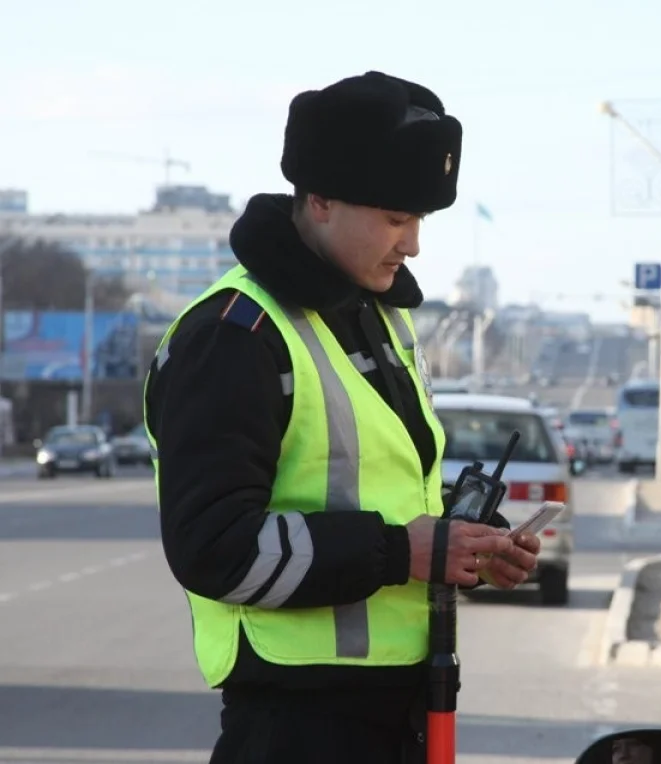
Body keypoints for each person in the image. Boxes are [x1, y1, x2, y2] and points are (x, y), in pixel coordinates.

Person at [143, 71, 542, 763]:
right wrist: (401, 552)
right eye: (394, 218)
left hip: (401, 708)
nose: (412, 244)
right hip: (295, 724)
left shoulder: (377, 317)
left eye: (420, 220)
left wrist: (468, 544)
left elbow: (382, 493)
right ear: (320, 200)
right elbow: (212, 548)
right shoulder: (234, 335)